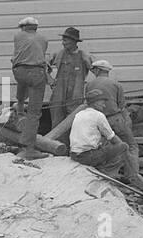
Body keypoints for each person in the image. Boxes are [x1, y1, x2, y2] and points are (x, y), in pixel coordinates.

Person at [88, 60, 139, 181]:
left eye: (94, 70)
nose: (93, 72)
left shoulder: (89, 85)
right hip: (115, 119)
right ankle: (133, 176)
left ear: (98, 70)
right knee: (131, 146)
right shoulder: (116, 84)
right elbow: (122, 106)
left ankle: (108, 175)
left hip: (98, 121)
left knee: (106, 147)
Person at [68, 88, 130, 179]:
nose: (104, 105)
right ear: (96, 102)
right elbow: (112, 137)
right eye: (102, 102)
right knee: (124, 147)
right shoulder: (98, 115)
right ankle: (108, 172)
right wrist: (123, 150)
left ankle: (101, 165)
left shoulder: (79, 114)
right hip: (87, 156)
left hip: (74, 155)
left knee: (103, 143)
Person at [11, 16, 50, 160]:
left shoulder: (17, 36)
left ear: (24, 27)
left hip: (19, 71)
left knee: (23, 81)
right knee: (34, 113)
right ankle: (29, 148)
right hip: (36, 73)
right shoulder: (44, 39)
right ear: (35, 27)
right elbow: (38, 54)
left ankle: (20, 105)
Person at [47, 26, 92, 130]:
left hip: (75, 95)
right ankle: (57, 145)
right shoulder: (59, 54)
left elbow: (99, 69)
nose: (63, 43)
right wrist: (50, 80)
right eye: (63, 40)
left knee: (74, 120)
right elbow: (42, 65)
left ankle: (73, 144)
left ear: (74, 41)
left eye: (66, 40)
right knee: (56, 119)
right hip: (58, 93)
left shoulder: (84, 55)